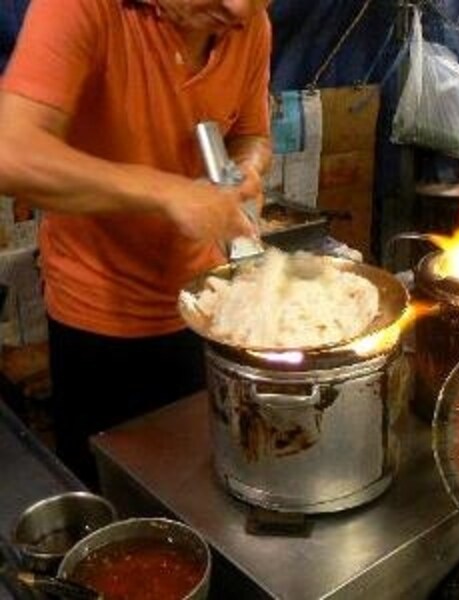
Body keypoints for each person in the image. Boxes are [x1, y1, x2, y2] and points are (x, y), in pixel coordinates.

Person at [0, 0, 273, 486]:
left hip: (203, 307)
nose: (237, 6)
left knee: (194, 484)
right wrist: (168, 193)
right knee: (108, 491)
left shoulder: (247, 22)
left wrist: (246, 168)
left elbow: (252, 135)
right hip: (97, 317)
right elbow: (11, 154)